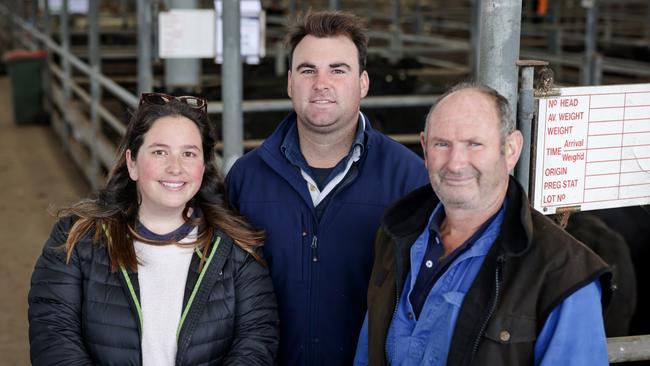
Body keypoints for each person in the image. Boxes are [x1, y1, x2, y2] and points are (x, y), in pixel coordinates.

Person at [354, 83, 612, 365]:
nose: (455, 163)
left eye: (474, 144)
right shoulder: (396, 234)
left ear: (511, 149)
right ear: (425, 148)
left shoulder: (563, 273)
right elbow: (369, 351)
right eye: (442, 144)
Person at [225, 10, 428, 365]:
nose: (321, 83)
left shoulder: (410, 179)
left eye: (338, 70)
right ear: (290, 83)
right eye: (308, 70)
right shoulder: (246, 177)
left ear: (363, 83)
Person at [28, 93, 279, 366]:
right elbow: (53, 335)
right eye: (160, 152)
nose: (175, 167)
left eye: (189, 153)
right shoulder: (77, 238)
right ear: (132, 162)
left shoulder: (236, 247)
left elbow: (257, 339)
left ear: (203, 166)